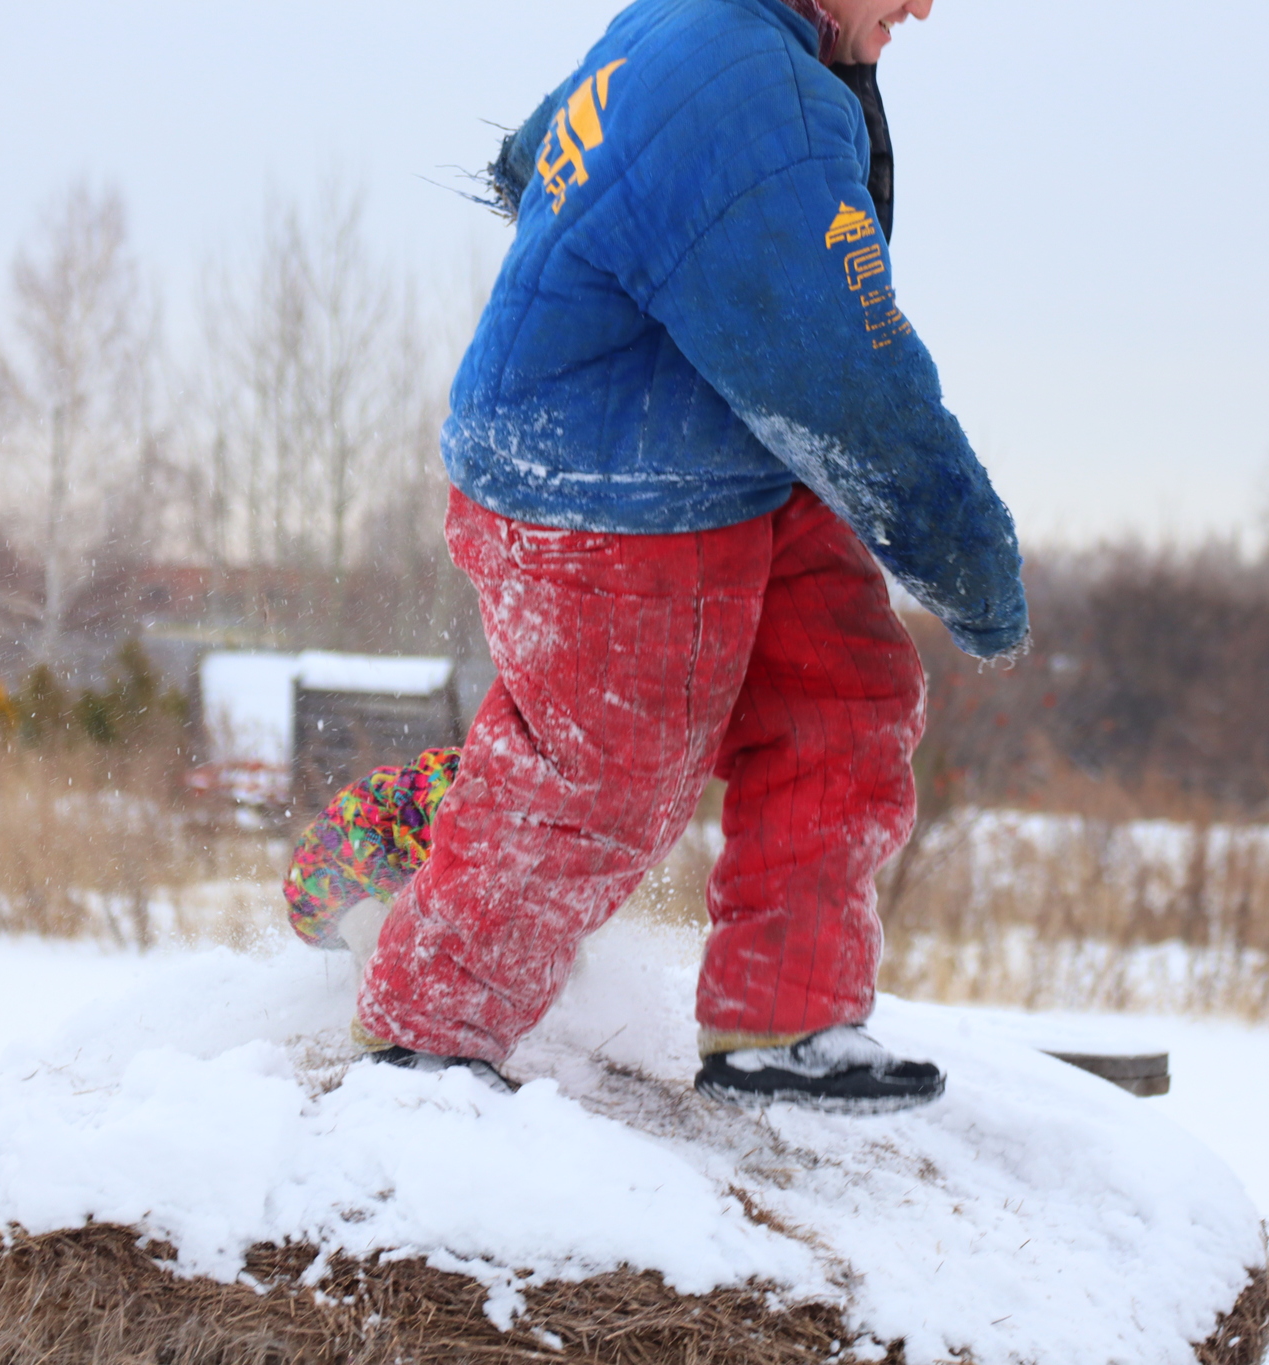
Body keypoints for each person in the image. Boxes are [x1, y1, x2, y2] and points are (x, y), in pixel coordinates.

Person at [300, 0, 1027, 1114]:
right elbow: (850, 382)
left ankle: (784, 1014)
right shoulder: (759, 97)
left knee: (841, 695)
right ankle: (424, 1037)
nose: (924, 5)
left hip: (722, 449)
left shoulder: (693, 28)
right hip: (608, 480)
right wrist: (963, 552)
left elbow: (534, 148)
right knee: (605, 776)